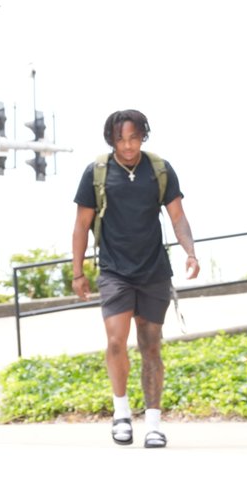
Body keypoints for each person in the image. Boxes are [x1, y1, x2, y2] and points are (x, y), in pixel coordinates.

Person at [70, 110, 199, 449]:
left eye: (134, 138)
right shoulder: (97, 173)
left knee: (151, 345)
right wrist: (78, 272)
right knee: (116, 341)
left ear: (143, 135)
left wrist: (190, 251)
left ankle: (154, 423)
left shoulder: (159, 169)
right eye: (120, 139)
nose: (127, 146)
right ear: (111, 140)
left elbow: (178, 216)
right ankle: (121, 413)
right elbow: (81, 225)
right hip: (114, 270)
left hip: (153, 270)